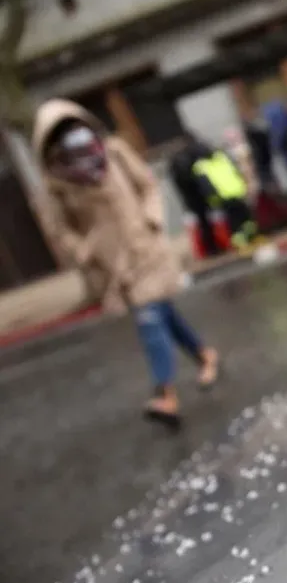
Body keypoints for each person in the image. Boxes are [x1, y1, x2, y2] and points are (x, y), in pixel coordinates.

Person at [33, 99, 219, 427]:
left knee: (150, 317)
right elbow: (60, 230)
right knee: (161, 314)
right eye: (60, 134)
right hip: (113, 264)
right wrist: (84, 251)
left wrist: (152, 220)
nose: (72, 138)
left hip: (145, 248)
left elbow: (147, 186)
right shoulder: (54, 184)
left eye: (74, 128)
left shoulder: (114, 152)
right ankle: (204, 355)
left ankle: (166, 394)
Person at [191, 146, 264, 255]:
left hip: (235, 192)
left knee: (246, 219)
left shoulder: (217, 159)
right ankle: (242, 244)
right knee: (235, 222)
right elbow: (206, 186)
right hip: (225, 196)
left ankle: (252, 238)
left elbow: (234, 171)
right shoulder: (202, 165)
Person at [169, 132, 220, 257]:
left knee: (203, 222)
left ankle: (210, 247)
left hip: (191, 197)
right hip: (197, 195)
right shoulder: (186, 157)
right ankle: (212, 248)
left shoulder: (177, 159)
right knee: (205, 222)